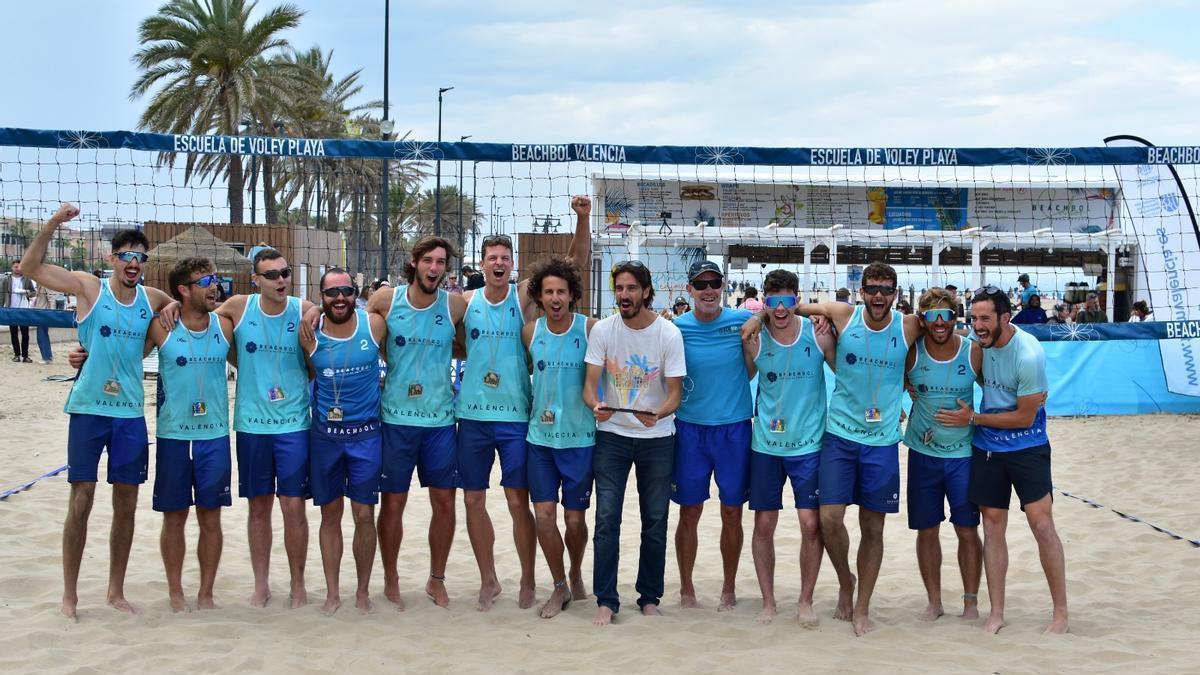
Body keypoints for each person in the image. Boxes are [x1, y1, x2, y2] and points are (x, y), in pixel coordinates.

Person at [744, 261, 920, 635]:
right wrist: (757, 317)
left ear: (896, 294)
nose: (878, 295)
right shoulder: (839, 314)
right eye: (872, 288)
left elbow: (947, 335)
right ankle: (839, 581)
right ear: (861, 291)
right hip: (833, 436)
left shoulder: (908, 324)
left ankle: (860, 608)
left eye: (886, 289)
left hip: (878, 440)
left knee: (868, 527)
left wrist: (912, 383)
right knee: (826, 520)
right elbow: (802, 310)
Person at [21, 202, 179, 620]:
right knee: (82, 498)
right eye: (126, 255)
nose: (134, 262)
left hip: (129, 414)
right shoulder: (90, 287)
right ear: (113, 258)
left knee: (126, 502)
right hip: (89, 409)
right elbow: (31, 267)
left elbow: (187, 307)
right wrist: (55, 222)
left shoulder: (153, 298)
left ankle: (115, 590)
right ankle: (70, 595)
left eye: (140, 257)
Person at [456, 196, 591, 611]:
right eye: (492, 257)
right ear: (481, 263)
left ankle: (530, 580)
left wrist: (582, 219)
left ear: (512, 265)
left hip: (517, 417)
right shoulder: (463, 302)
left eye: (505, 257)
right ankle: (488, 579)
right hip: (471, 417)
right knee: (473, 500)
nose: (498, 263)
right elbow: (411, 303)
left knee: (519, 502)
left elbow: (573, 264)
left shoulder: (523, 300)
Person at [935, 285, 1068, 634]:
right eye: (974, 318)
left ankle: (1060, 613)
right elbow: (950, 340)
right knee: (993, 528)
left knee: (1041, 525)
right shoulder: (980, 345)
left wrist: (974, 419)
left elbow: (1025, 418)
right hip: (989, 448)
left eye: (985, 319)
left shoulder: (1028, 355)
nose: (977, 325)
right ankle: (996, 613)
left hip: (1028, 446)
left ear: (1005, 319)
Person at [583, 260, 685, 625]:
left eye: (630, 288)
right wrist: (595, 405)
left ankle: (649, 596)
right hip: (612, 436)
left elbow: (675, 395)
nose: (623, 295)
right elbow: (589, 386)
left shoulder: (668, 334)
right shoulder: (604, 330)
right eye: (619, 289)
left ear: (645, 291)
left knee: (654, 520)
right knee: (607, 518)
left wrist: (659, 414)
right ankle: (606, 599)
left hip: (657, 437)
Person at [216, 247, 318, 608]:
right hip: (252, 425)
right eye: (272, 275)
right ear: (255, 279)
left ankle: (297, 583)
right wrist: (169, 307)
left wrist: (317, 309)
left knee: (293, 507)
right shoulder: (238, 308)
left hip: (293, 424)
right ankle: (261, 584)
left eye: (285, 272)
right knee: (258, 507)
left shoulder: (302, 309)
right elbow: (197, 323)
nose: (281, 280)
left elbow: (317, 355)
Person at [368, 235, 466, 609]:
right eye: (428, 260)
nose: (434, 268)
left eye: (441, 262)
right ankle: (391, 579)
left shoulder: (455, 304)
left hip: (440, 420)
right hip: (395, 420)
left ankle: (436, 579)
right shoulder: (385, 300)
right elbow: (366, 340)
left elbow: (463, 345)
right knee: (393, 504)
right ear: (414, 262)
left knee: (444, 504)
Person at [741, 269, 834, 625]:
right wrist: (753, 320)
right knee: (764, 523)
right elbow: (745, 377)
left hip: (809, 445)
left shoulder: (819, 333)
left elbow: (846, 370)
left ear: (798, 299)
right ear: (765, 302)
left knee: (811, 524)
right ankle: (768, 601)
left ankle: (805, 600)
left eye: (787, 300)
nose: (780, 308)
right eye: (773, 301)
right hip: (766, 444)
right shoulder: (754, 338)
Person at [145, 257, 234, 612]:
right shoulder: (161, 327)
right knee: (175, 516)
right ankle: (176, 592)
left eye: (215, 279)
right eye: (206, 280)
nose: (215, 286)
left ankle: (206, 593)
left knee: (211, 516)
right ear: (183, 289)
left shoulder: (226, 325)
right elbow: (122, 356)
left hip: (214, 435)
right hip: (173, 435)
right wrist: (83, 355)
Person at [302, 268, 386, 616]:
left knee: (364, 514)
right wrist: (310, 311)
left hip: (366, 434)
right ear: (321, 297)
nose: (340, 299)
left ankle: (363, 591)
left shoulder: (374, 325)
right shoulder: (309, 334)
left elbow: (403, 296)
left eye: (347, 292)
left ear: (357, 293)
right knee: (330, 514)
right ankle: (333, 593)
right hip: (326, 437)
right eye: (331, 293)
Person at [673, 259, 756, 611]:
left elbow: (778, 314)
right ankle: (687, 588)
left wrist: (760, 317)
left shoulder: (740, 320)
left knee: (732, 512)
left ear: (722, 286)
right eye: (701, 284)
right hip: (689, 429)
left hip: (734, 428)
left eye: (714, 283)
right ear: (689, 289)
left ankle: (728, 587)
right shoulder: (676, 328)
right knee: (689, 512)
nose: (708, 290)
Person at [522, 256, 598, 618]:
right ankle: (558, 586)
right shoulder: (530, 332)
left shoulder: (589, 330)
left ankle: (576, 570)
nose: (555, 298)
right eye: (549, 291)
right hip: (540, 441)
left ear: (572, 296)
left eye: (561, 292)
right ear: (539, 295)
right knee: (544, 518)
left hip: (580, 440)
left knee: (575, 521)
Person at [903, 288, 983, 622]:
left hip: (963, 454)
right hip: (923, 454)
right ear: (922, 318)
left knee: (966, 530)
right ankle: (934, 602)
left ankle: (970, 602)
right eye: (931, 315)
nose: (939, 322)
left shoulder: (973, 352)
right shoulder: (911, 352)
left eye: (946, 315)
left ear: (955, 317)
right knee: (928, 530)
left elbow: (1000, 390)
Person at [2, 262, 34, 362]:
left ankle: (25, 356)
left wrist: (27, 292)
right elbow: (2, 294)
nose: (17, 268)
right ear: (12, 267)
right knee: (14, 333)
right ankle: (16, 355)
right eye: (16, 266)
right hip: (11, 309)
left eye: (19, 267)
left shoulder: (27, 279)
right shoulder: (6, 279)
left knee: (25, 333)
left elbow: (33, 292)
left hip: (23, 310)